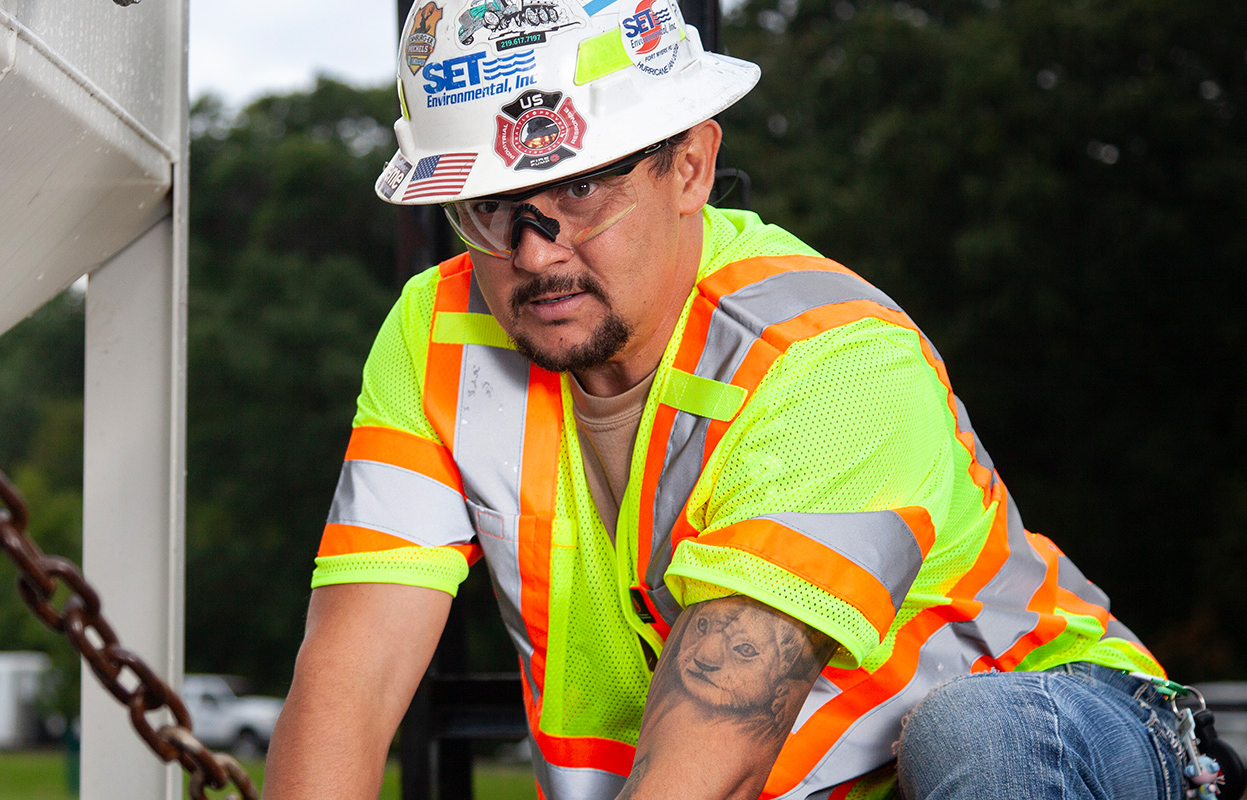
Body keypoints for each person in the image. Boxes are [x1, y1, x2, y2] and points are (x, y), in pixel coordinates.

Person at [260, 1, 1213, 798]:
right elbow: (352, 673)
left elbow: (711, 747)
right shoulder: (438, 330)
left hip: (1064, 729)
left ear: (690, 167)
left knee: (978, 735)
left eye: (582, 187)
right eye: (488, 204)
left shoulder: (828, 357)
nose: (535, 250)